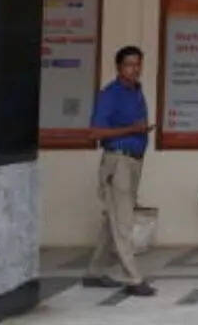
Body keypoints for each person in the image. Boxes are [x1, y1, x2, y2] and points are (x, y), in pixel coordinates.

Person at [84, 46, 156, 297]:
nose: (134, 69)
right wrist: (131, 130)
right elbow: (95, 132)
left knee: (113, 220)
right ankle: (133, 278)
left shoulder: (136, 92)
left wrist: (140, 131)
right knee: (123, 222)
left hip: (134, 161)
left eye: (138, 64)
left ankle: (94, 272)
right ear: (118, 67)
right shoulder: (110, 94)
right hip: (118, 161)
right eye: (129, 64)